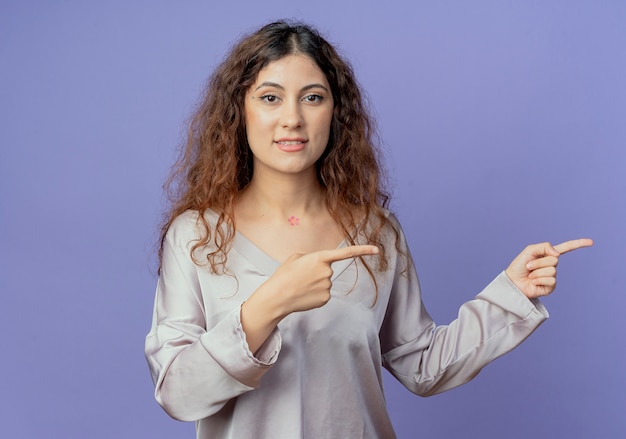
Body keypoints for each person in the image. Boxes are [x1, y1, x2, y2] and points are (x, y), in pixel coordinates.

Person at [144, 20, 593, 439]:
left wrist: (511, 295)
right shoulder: (197, 237)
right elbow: (178, 393)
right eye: (270, 97)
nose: (293, 118)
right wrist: (268, 305)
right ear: (239, 112)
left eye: (313, 97)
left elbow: (422, 365)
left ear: (335, 112)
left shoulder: (376, 234)